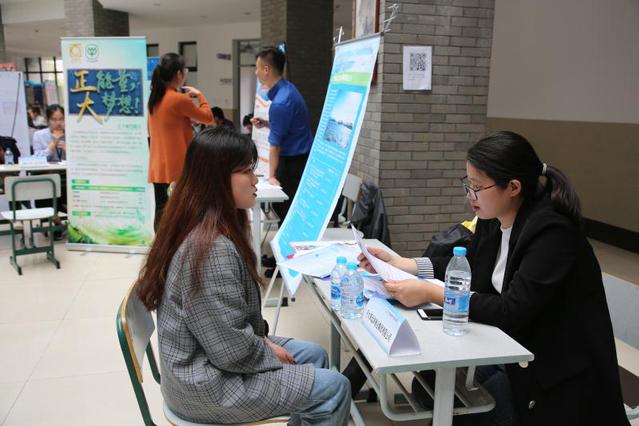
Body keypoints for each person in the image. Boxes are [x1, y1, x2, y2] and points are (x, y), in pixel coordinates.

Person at [358, 131, 629, 426]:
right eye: (468, 184)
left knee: (464, 410)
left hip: (554, 372)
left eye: (476, 187)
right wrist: (404, 264)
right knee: (430, 385)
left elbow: (512, 310)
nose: (469, 195)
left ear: (513, 187)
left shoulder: (552, 232)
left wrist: (432, 293)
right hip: (509, 349)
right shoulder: (494, 219)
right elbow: (467, 268)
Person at [136, 127, 351, 425]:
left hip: (208, 361)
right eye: (247, 171)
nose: (255, 180)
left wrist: (263, 342)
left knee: (315, 355)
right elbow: (230, 351)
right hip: (207, 386)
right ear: (217, 178)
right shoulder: (209, 249)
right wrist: (267, 349)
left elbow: (225, 330)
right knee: (335, 388)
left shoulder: (204, 223)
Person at [147, 52, 213, 231]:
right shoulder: (178, 99)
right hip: (177, 167)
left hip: (158, 166)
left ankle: (161, 244)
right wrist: (200, 96)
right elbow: (208, 117)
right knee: (181, 212)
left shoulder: (154, 99)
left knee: (162, 209)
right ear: (178, 74)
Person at [251, 46, 313, 222]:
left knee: (285, 211)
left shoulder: (280, 102)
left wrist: (271, 176)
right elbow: (289, 126)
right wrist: (267, 124)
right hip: (300, 159)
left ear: (266, 69)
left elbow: (275, 145)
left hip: (293, 165)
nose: (256, 72)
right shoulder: (288, 89)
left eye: (257, 68)